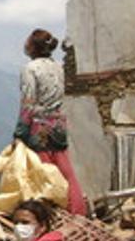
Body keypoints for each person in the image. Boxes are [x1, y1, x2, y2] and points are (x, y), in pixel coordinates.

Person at [15, 29, 87, 216]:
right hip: (59, 122)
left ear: (32, 46)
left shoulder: (30, 69)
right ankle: (77, 210)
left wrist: (20, 132)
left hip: (40, 125)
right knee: (65, 169)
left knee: (43, 172)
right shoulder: (58, 67)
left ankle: (44, 214)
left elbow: (28, 103)